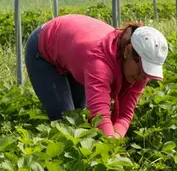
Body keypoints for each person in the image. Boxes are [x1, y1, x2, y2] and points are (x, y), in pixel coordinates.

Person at [25, 15, 167, 138]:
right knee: (67, 122)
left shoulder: (141, 70)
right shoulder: (99, 65)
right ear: (127, 51)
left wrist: (116, 137)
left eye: (148, 72)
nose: (143, 77)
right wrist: (110, 146)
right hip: (43, 47)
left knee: (82, 117)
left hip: (76, 48)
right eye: (141, 68)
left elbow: (125, 114)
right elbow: (100, 115)